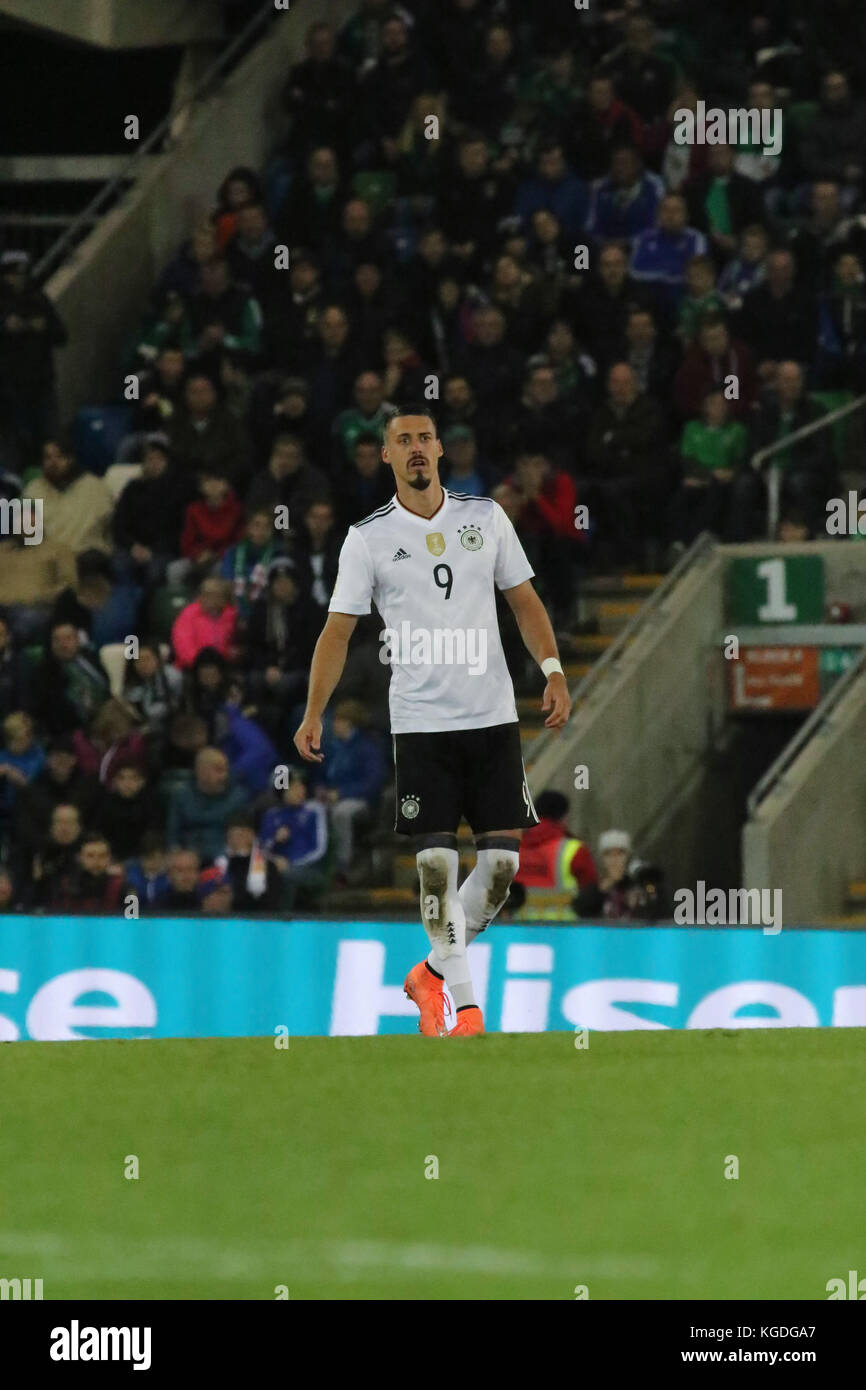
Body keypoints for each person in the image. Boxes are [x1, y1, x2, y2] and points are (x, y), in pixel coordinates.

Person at [294, 405, 571, 1038]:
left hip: (492, 719)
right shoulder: (367, 538)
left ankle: (430, 973)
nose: (416, 448)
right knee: (435, 872)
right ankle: (467, 1011)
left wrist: (553, 669)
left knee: (499, 873)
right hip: (421, 725)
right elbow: (337, 632)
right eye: (402, 441)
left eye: (424, 438)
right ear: (386, 457)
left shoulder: (486, 518)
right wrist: (314, 711)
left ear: (440, 449)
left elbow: (524, 601)